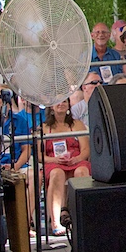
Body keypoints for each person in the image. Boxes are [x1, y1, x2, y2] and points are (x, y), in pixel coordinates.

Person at [42, 98, 90, 235]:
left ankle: (83, 218)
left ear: (69, 105)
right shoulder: (45, 127)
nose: (61, 104)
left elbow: (85, 150)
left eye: (64, 101)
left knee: (82, 171)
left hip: (75, 160)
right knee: (57, 174)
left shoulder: (77, 124)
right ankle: (56, 222)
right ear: (51, 106)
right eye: (57, 101)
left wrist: (76, 159)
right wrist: (54, 159)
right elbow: (40, 155)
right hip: (54, 162)